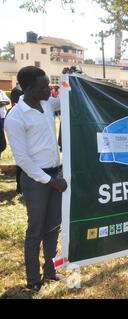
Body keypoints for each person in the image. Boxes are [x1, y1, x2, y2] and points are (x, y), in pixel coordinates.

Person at [4, 66, 68, 292]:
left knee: (53, 228)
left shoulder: (47, 103)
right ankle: (33, 280)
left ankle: (50, 272)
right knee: (35, 231)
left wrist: (70, 79)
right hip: (37, 181)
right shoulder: (16, 117)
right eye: (44, 86)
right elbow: (22, 159)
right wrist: (50, 181)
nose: (49, 89)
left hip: (56, 175)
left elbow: (68, 97)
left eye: (49, 84)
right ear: (29, 89)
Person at [0, 89, 10, 158]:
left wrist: (1, 103)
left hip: (2, 115)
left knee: (1, 134)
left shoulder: (1, 92)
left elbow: (8, 101)